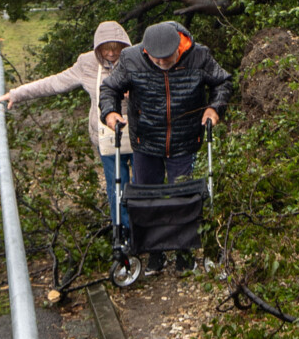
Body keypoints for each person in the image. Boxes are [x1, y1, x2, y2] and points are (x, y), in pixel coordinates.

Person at [99, 20, 231, 272]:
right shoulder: (131, 58)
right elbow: (110, 88)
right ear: (146, 51)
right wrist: (110, 113)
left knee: (182, 197)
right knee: (148, 198)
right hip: (145, 140)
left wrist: (215, 108)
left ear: (178, 48)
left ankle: (184, 253)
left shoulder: (199, 55)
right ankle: (154, 254)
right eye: (156, 60)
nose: (162, 64)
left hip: (185, 138)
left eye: (167, 59)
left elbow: (222, 82)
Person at [0, 21, 135, 245]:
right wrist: (17, 94)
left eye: (115, 47)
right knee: (115, 186)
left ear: (124, 45)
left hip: (138, 135)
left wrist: (136, 96)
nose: (111, 53)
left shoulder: (136, 58)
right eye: (105, 48)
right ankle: (123, 232)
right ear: (97, 48)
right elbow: (55, 83)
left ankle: (145, 231)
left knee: (139, 186)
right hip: (106, 137)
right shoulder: (86, 63)